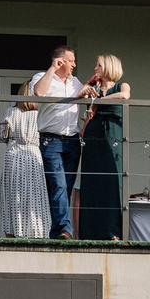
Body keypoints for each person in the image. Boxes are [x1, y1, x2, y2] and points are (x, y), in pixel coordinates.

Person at [30, 44, 86, 239]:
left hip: (72, 142)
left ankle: (57, 233)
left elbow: (85, 92)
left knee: (65, 189)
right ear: (61, 61)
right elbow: (38, 92)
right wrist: (52, 69)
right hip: (50, 142)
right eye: (71, 61)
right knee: (59, 186)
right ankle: (65, 229)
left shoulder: (75, 82)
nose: (74, 64)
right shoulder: (41, 77)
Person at [76, 55, 131, 241]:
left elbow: (125, 96)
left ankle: (112, 231)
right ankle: (89, 232)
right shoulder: (94, 89)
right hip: (93, 135)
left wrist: (101, 98)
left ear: (108, 67)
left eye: (98, 65)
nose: (95, 67)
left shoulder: (121, 85)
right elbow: (78, 96)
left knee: (112, 182)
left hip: (112, 135)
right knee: (92, 183)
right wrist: (89, 83)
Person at [0, 80, 51, 239]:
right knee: (34, 197)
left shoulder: (10, 112)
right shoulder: (39, 114)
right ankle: (36, 234)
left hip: (14, 156)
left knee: (13, 196)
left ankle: (11, 233)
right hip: (33, 156)